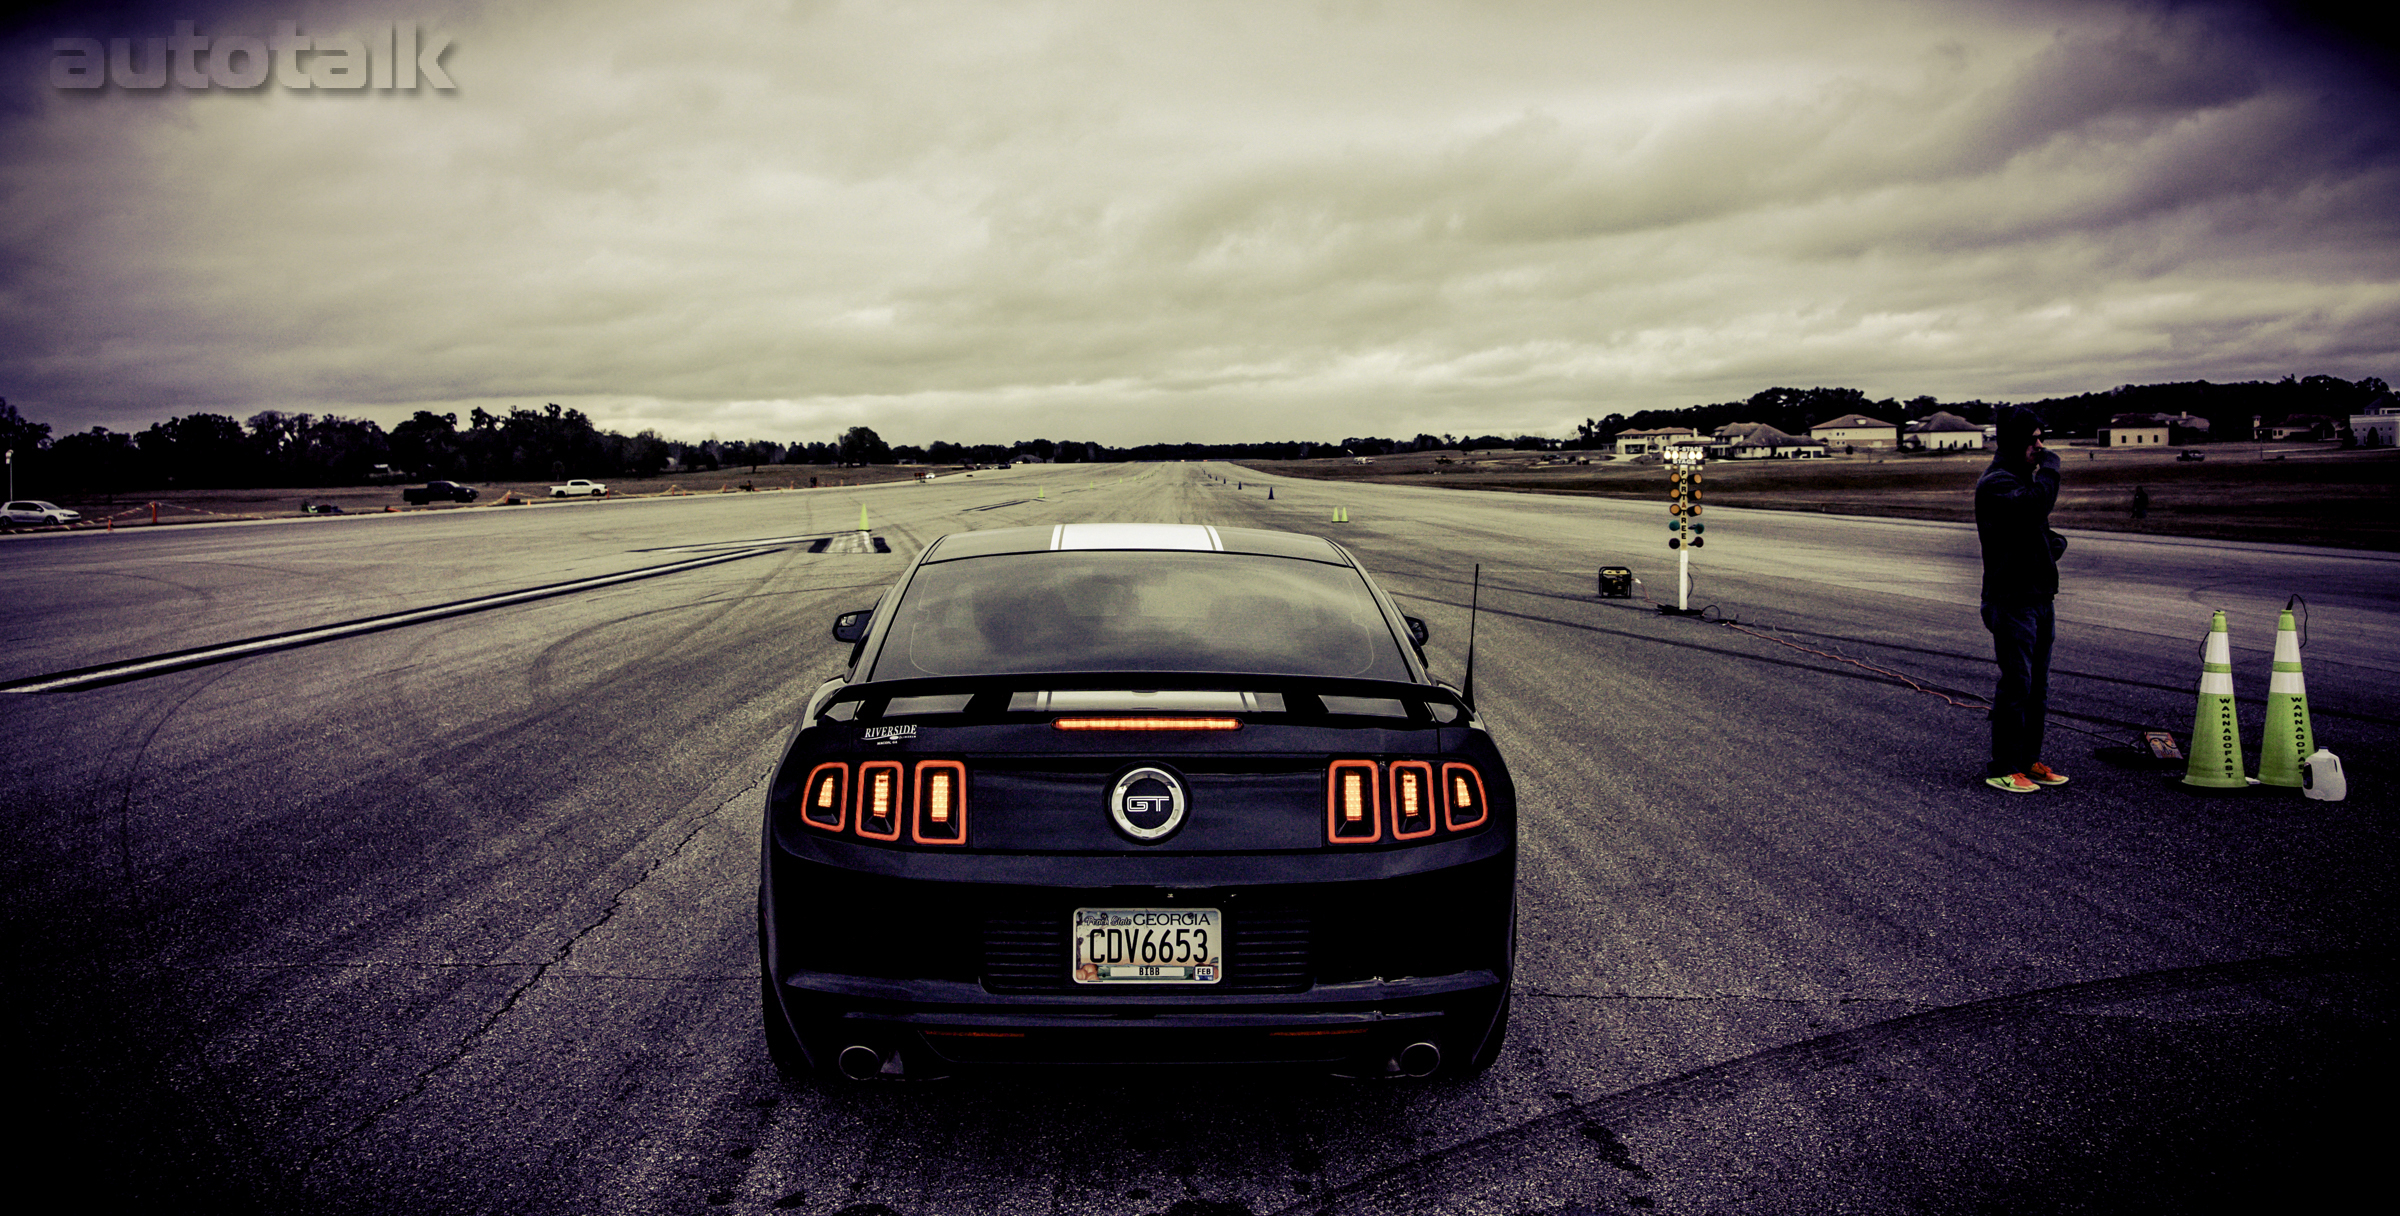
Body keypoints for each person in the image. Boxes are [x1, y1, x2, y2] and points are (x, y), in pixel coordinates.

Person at [1975, 406, 2068, 793]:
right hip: (2011, 600)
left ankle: (2027, 760)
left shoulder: (2020, 481)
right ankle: (2003, 766)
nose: (2040, 447)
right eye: (2032, 441)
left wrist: (2049, 548)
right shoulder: (1996, 483)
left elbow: (2038, 528)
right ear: (2014, 442)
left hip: (2039, 597)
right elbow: (2034, 506)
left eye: (2041, 439)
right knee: (2017, 684)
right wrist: (2051, 468)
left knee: (2038, 687)